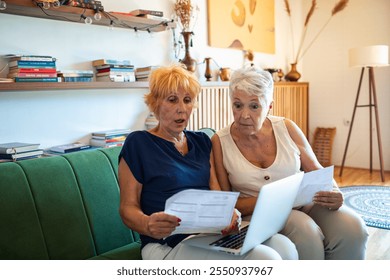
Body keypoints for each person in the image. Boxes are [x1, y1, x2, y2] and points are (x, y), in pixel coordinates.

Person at [118, 64, 298, 260]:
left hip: (208, 235)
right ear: (155, 103)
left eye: (187, 100)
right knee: (266, 259)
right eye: (172, 100)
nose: (181, 109)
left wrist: (230, 214)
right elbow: (127, 207)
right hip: (167, 244)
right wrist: (146, 224)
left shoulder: (202, 141)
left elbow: (218, 194)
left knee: (285, 247)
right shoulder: (138, 143)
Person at [211, 67, 369, 260]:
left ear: (269, 106)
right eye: (238, 105)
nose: (244, 115)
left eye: (254, 106)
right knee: (306, 232)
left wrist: (335, 192)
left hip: (305, 203)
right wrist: (278, 198)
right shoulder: (220, 141)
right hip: (258, 213)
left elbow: (317, 172)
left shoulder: (287, 127)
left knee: (353, 227)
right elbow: (229, 204)